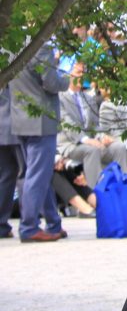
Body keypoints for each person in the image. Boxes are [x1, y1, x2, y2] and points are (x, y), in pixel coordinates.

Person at [9, 40, 70, 242]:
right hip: (40, 121)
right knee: (37, 176)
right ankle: (29, 227)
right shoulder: (41, 46)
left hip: (20, 119)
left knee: (39, 174)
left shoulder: (10, 44)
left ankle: (53, 222)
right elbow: (51, 83)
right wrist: (67, 78)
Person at [57, 61, 127, 188]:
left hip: (92, 142)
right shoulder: (59, 98)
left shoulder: (88, 98)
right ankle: (96, 192)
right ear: (67, 75)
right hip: (70, 144)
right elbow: (67, 124)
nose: (82, 76)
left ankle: (125, 187)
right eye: (78, 72)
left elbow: (95, 126)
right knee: (92, 150)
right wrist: (86, 140)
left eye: (83, 73)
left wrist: (102, 137)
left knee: (118, 147)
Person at [0, 83, 21, 239]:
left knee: (7, 176)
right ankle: (30, 223)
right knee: (27, 174)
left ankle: (1, 225)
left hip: (4, 127)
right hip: (16, 126)